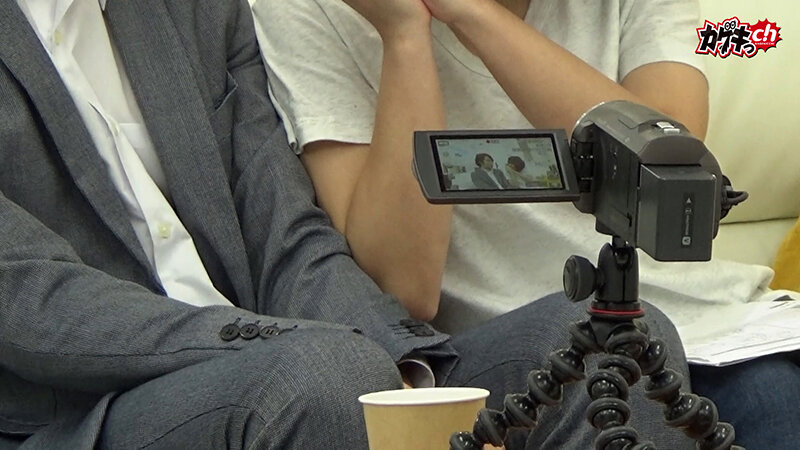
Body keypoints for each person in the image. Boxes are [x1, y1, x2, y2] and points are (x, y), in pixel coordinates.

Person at [0, 0, 696, 449]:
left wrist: (395, 358)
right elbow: (27, 299)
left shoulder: (190, 8)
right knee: (322, 376)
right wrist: (310, 348)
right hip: (83, 408)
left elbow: (287, 229)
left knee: (605, 340)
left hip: (298, 356)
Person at [251, 0, 800, 447]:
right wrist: (404, 36)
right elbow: (403, 288)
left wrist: (470, 13)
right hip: (525, 356)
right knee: (605, 359)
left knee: (778, 399)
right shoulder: (312, 9)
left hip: (726, 333)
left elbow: (669, 172)